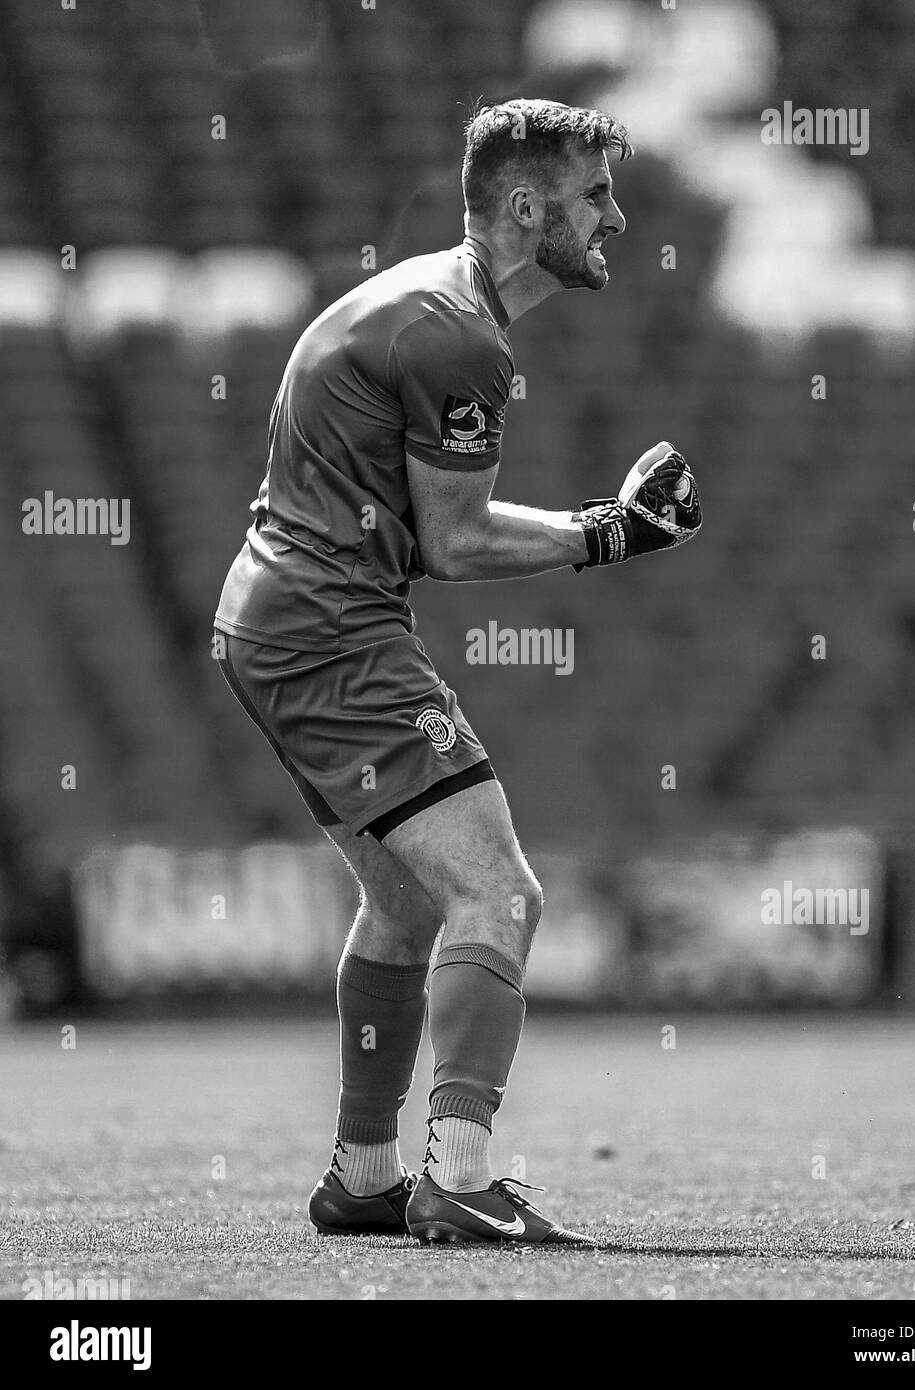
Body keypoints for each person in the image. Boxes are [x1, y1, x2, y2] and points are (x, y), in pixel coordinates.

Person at [213, 98, 701, 1246]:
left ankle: (366, 1173)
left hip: (278, 618)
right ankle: (459, 1174)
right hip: (328, 627)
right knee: (500, 892)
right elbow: (456, 541)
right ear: (526, 208)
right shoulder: (456, 330)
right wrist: (612, 533)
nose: (617, 218)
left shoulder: (434, 304)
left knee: (400, 897)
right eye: (595, 196)